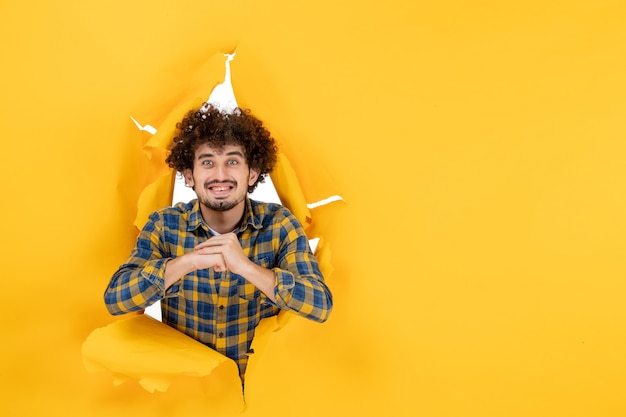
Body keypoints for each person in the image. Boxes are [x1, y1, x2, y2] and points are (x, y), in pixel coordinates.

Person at [104, 103, 333, 383]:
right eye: (208, 162)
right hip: (189, 397)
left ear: (251, 174)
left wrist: (246, 268)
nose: (220, 175)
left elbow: (320, 305)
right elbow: (116, 301)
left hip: (261, 396)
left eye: (233, 161)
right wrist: (186, 262)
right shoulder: (165, 225)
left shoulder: (280, 225)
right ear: (189, 175)